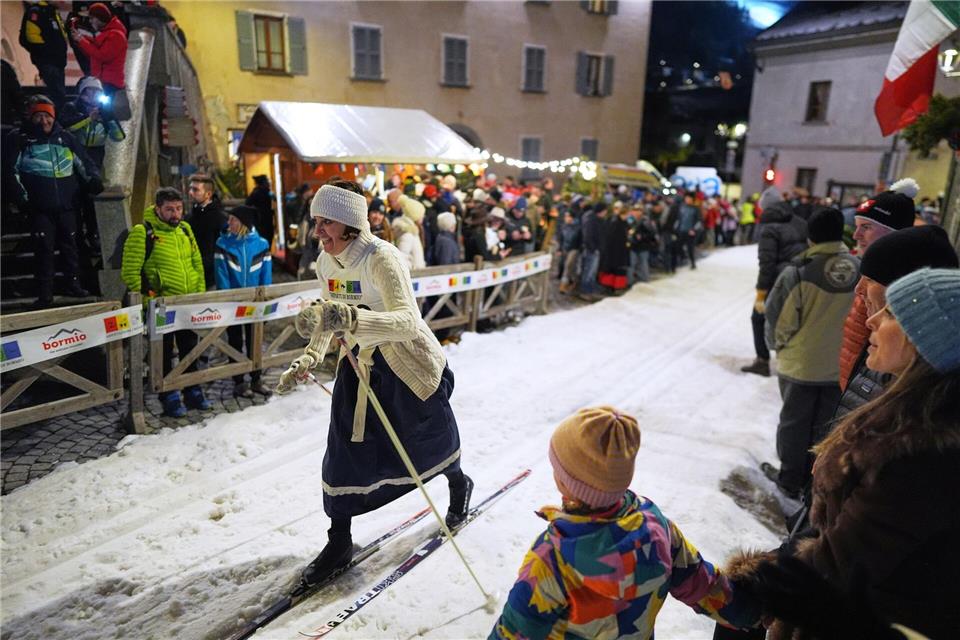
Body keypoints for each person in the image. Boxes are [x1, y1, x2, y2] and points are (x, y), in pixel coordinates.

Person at [735, 268, 960, 640]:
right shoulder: (910, 412)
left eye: (890, 314)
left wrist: (774, 587)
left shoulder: (921, 455)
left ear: (925, 341)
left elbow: (843, 564)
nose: (871, 319)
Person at [277, 180, 472, 587]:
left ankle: (458, 482)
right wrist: (311, 354)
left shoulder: (382, 258)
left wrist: (354, 319)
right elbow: (329, 315)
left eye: (325, 223)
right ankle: (339, 541)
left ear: (350, 222)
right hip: (359, 365)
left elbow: (408, 322)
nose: (318, 233)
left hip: (406, 367)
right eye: (316, 222)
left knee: (429, 441)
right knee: (344, 453)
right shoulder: (325, 262)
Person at [490, 407, 762, 640]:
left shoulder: (552, 558)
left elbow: (515, 631)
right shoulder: (655, 523)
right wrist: (754, 613)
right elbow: (704, 585)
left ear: (567, 484)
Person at [761, 208, 860, 499]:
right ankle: (815, 483)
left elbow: (779, 318)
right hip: (841, 366)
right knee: (827, 426)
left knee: (794, 422)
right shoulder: (861, 268)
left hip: (801, 365)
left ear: (810, 236)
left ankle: (790, 478)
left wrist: (777, 346)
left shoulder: (799, 271)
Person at [4, 95, 102, 307]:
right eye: (39, 116)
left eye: (47, 116)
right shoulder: (19, 139)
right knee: (44, 249)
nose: (44, 121)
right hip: (39, 208)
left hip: (67, 205)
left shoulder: (65, 138)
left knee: (71, 246)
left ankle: (73, 285)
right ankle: (44, 293)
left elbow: (83, 162)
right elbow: (11, 172)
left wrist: (94, 180)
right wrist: (22, 199)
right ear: (31, 117)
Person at [121, 187, 210, 417]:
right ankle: (168, 395)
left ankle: (193, 390)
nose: (175, 214)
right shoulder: (143, 232)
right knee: (162, 354)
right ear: (158, 208)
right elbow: (130, 273)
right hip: (160, 307)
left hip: (187, 305)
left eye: (179, 208)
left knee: (190, 350)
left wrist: (198, 296)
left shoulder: (185, 229)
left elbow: (196, 264)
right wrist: (146, 301)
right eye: (170, 209)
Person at [838, 179, 919, 390]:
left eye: (866, 227)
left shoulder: (898, 279)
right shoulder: (872, 268)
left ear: (893, 232)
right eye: (857, 227)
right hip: (854, 385)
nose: (856, 235)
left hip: (870, 389)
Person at [741, 187, 807, 377]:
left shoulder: (769, 228)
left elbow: (767, 263)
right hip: (802, 280)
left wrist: (761, 290)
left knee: (758, 317)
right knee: (793, 320)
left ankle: (762, 361)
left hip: (778, 281)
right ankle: (793, 363)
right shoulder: (800, 222)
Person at [214, 205, 272, 398]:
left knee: (256, 340)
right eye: (229, 219)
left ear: (244, 223)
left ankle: (256, 379)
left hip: (256, 303)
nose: (229, 223)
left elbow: (266, 275)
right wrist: (227, 300)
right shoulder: (223, 244)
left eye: (233, 220)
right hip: (233, 304)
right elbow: (221, 276)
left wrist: (266, 300)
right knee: (235, 341)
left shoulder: (262, 244)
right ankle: (239, 381)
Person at [58, 76, 125, 170]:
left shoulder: (104, 111)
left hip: (96, 154)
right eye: (91, 89)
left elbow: (119, 137)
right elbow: (67, 127)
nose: (95, 93)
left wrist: (110, 118)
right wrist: (89, 118)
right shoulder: (72, 107)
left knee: (94, 181)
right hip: (74, 151)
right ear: (83, 92)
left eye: (98, 90)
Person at [70, 2, 127, 110]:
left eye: (92, 18)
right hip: (103, 82)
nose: (90, 22)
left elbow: (102, 55)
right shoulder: (107, 33)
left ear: (99, 18)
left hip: (110, 84)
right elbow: (95, 49)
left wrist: (82, 40)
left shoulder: (115, 35)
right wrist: (81, 39)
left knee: (107, 115)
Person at [19, 1, 68, 110]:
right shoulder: (37, 11)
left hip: (58, 63)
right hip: (48, 62)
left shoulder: (52, 12)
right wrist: (46, 54)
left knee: (60, 95)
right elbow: (31, 37)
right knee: (56, 95)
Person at [186, 173, 227, 290]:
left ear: (208, 194)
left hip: (212, 278)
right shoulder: (188, 218)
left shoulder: (220, 218)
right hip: (191, 276)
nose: (190, 192)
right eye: (190, 188)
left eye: (195, 190)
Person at [578, 202, 606, 299]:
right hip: (591, 250)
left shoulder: (597, 220)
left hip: (595, 249)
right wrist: (593, 248)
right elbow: (588, 236)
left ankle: (590, 289)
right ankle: (585, 290)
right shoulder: (591, 220)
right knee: (589, 271)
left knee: (592, 271)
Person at [246, 174, 275, 250]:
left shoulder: (259, 192)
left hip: (261, 221)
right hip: (262, 221)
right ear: (263, 182)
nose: (268, 183)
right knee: (266, 237)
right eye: (267, 181)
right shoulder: (261, 192)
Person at [557, 210, 581, 294]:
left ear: (572, 217)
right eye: (565, 216)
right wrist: (560, 249)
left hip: (574, 249)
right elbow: (561, 239)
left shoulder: (578, 227)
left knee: (568, 266)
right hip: (565, 248)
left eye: (567, 216)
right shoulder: (564, 226)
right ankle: (573, 280)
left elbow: (580, 239)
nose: (565, 218)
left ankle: (563, 285)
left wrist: (578, 249)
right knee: (570, 267)